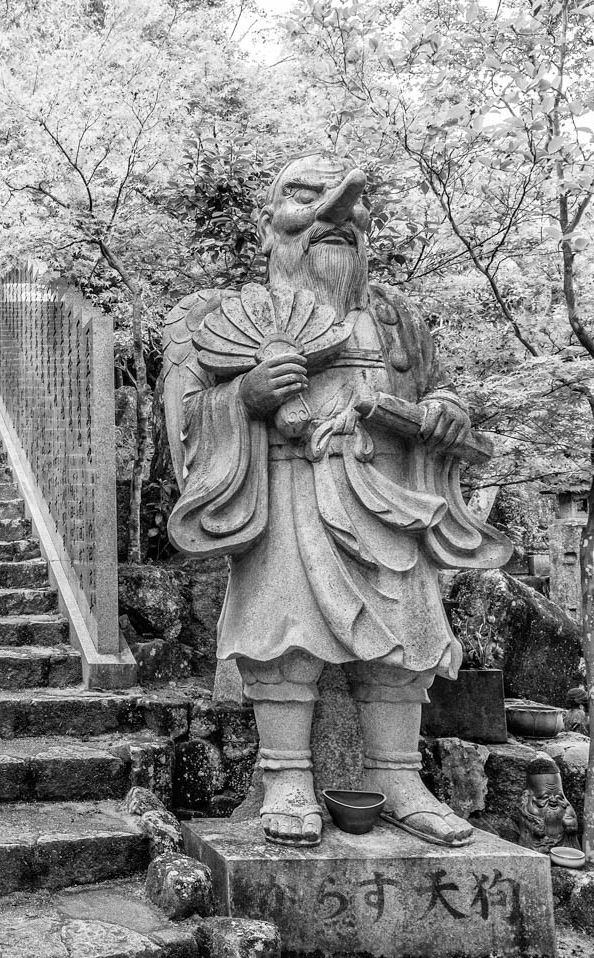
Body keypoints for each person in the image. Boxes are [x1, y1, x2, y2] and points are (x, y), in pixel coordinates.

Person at [161, 153, 511, 847]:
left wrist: (442, 411)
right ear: (268, 224)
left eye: (352, 209)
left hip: (387, 496)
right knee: (283, 632)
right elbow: (186, 418)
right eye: (306, 197)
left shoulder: (396, 319)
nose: (336, 215)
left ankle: (400, 777)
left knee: (407, 638)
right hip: (287, 488)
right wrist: (247, 397)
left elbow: (436, 390)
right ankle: (286, 777)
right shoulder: (224, 316)